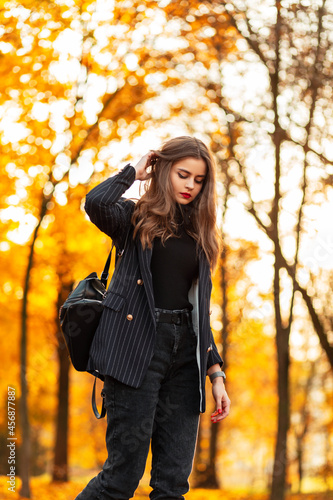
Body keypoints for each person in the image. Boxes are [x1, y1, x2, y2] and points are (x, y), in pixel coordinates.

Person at [75, 136, 231, 500]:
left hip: (185, 359)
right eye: (182, 174)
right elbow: (96, 201)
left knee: (173, 484)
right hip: (135, 350)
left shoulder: (202, 235)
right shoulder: (132, 218)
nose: (191, 185)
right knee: (120, 479)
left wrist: (216, 373)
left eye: (199, 180)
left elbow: (199, 314)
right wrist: (134, 170)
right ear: (163, 171)